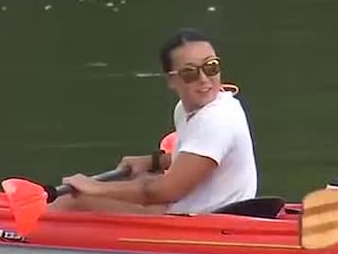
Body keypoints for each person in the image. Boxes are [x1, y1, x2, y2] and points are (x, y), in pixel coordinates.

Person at [52, 28, 258, 214]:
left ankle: (23, 239)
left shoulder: (216, 119)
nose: (204, 79)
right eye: (189, 72)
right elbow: (197, 155)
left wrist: (94, 187)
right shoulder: (187, 109)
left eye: (210, 67)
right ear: (171, 80)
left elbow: (167, 191)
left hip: (208, 221)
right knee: (140, 181)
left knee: (71, 201)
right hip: (195, 209)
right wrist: (153, 161)